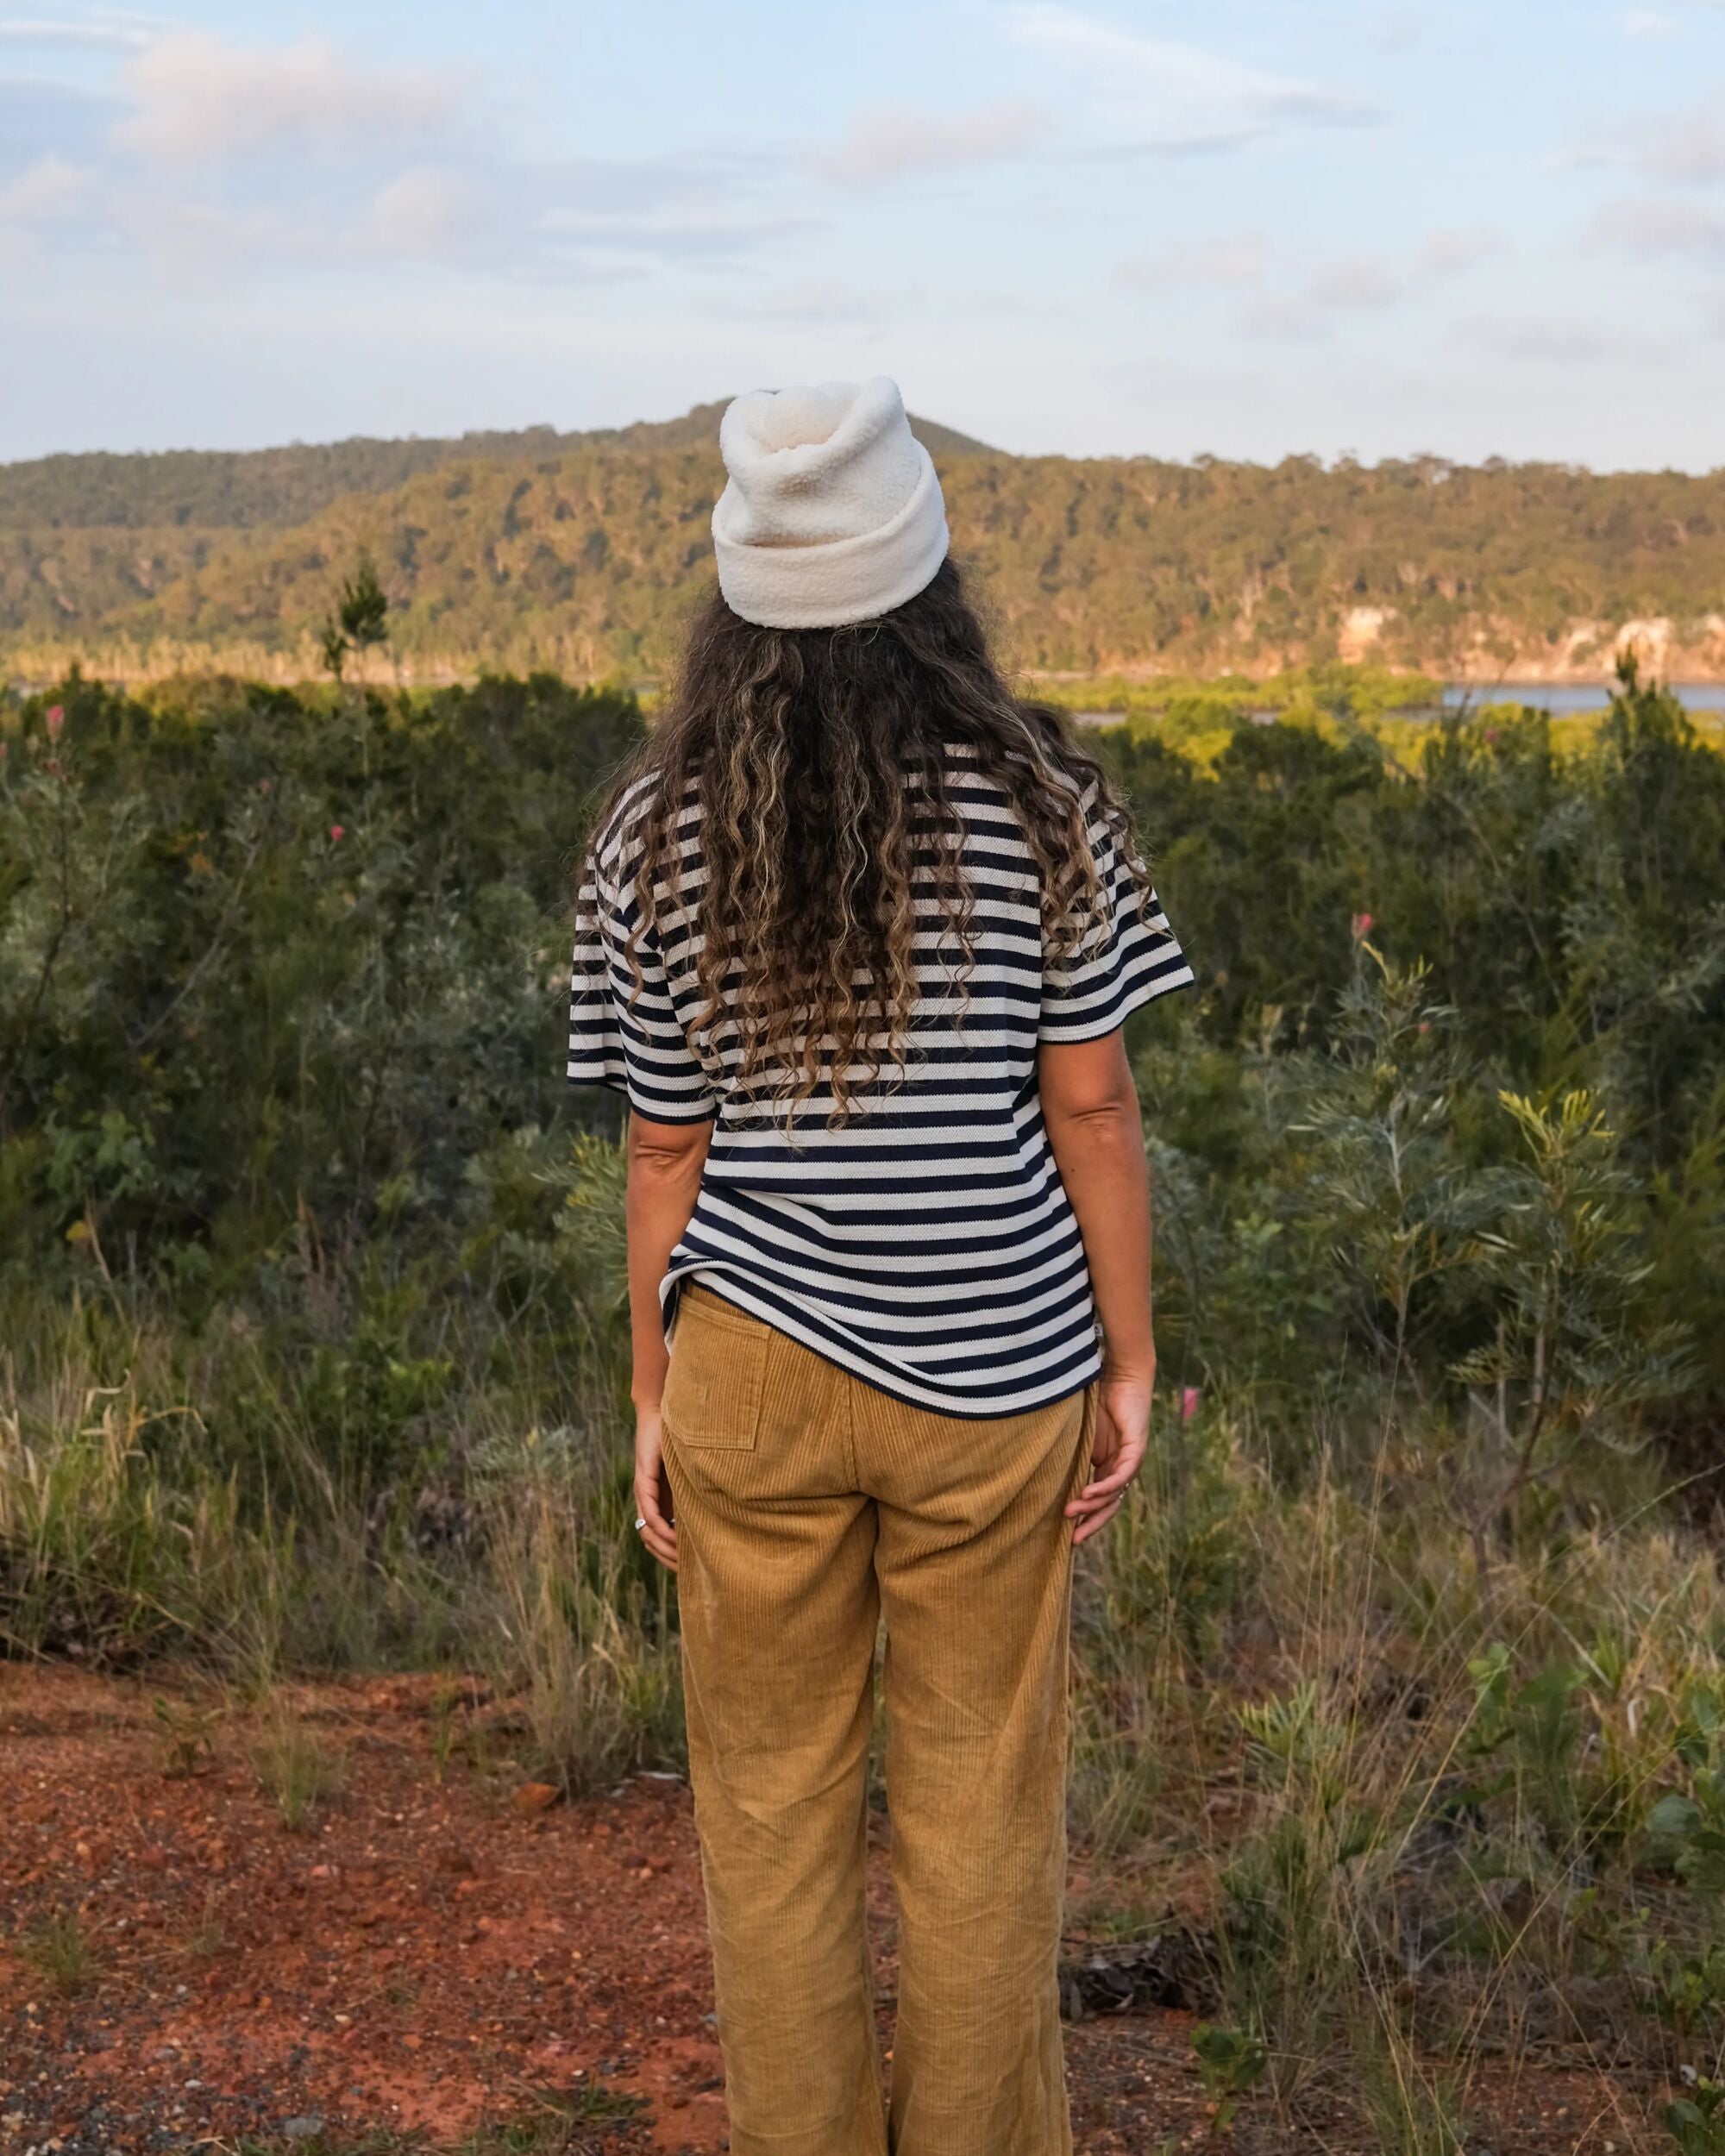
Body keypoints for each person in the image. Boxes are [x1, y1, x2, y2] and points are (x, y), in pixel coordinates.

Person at [567, 376, 1193, 2156]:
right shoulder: (1046, 803)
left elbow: (664, 1148)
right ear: (929, 576)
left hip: (750, 1373)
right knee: (982, 1812)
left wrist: (653, 1393)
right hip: (993, 1371)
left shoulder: (652, 831)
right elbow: (1092, 1104)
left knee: (769, 1814)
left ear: (736, 595)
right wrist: (1127, 1361)